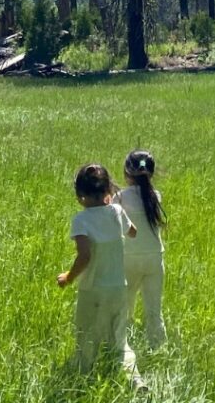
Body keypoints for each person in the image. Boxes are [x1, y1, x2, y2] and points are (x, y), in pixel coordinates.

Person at [57, 163, 142, 384]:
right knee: (119, 340)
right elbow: (133, 232)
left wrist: (68, 277)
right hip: (118, 288)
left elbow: (84, 256)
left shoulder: (81, 220)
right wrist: (114, 208)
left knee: (87, 338)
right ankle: (135, 380)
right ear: (107, 190)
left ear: (80, 195)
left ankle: (83, 380)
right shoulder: (116, 211)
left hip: (92, 290)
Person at [113, 150, 166, 348]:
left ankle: (122, 345)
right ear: (150, 173)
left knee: (124, 304)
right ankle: (158, 346)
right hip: (154, 256)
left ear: (127, 173)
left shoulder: (120, 197)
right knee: (154, 309)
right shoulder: (155, 195)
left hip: (129, 257)